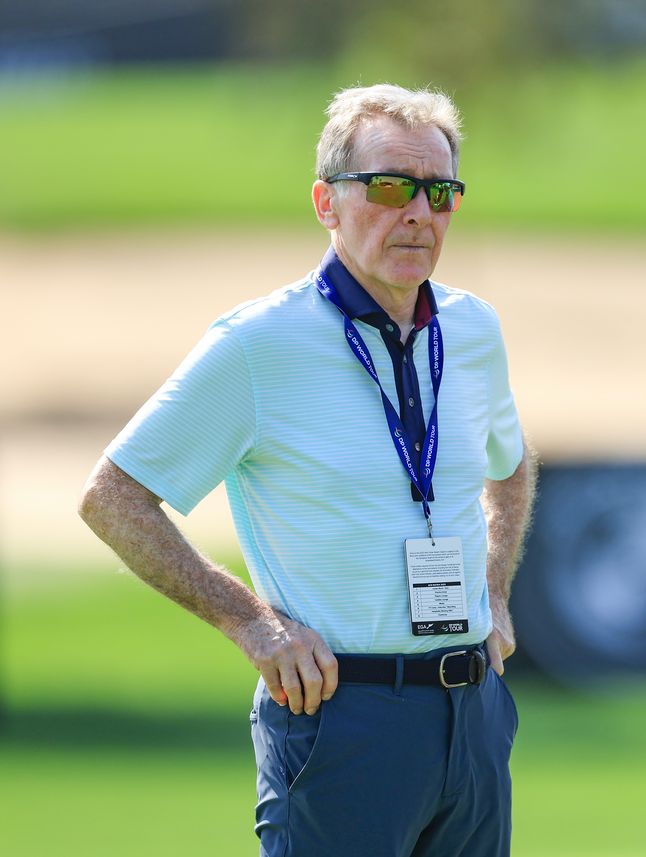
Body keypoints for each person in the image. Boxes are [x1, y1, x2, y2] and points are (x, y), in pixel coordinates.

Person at [78, 84, 536, 857]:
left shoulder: (472, 327)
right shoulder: (259, 343)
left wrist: (492, 584)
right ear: (327, 202)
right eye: (389, 187)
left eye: (440, 192)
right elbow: (112, 497)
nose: (418, 212)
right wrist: (250, 621)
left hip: (472, 716)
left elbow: (511, 464)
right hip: (339, 718)